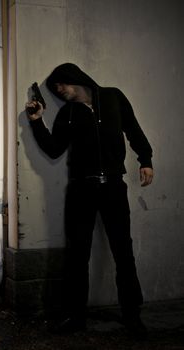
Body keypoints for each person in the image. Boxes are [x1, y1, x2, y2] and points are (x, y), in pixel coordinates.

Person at [25, 63, 153, 337]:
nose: (58, 90)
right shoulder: (67, 115)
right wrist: (37, 122)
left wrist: (145, 159)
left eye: (60, 84)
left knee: (124, 252)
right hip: (81, 190)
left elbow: (133, 129)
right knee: (77, 255)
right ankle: (75, 316)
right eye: (55, 89)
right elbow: (53, 149)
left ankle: (132, 315)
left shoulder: (113, 97)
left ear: (74, 78)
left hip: (114, 188)